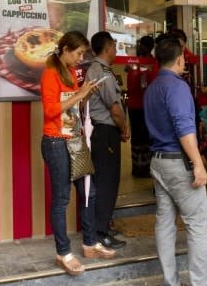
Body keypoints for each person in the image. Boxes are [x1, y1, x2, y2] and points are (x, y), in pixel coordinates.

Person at [40, 31, 115, 276]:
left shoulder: (72, 73)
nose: (80, 58)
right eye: (78, 53)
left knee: (88, 192)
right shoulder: (50, 74)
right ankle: (63, 252)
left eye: (83, 53)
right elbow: (51, 111)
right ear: (64, 49)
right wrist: (79, 95)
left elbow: (73, 109)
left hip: (75, 139)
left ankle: (90, 242)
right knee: (62, 199)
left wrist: (85, 96)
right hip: (56, 142)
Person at [144, 37, 207, 286]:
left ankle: (169, 282)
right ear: (180, 59)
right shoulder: (178, 87)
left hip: (159, 162)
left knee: (164, 224)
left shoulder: (152, 87)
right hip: (178, 162)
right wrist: (199, 163)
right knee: (196, 225)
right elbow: (184, 129)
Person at [85, 31, 129, 249]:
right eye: (114, 45)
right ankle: (100, 232)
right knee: (107, 182)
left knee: (103, 180)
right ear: (108, 47)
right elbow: (115, 110)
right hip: (105, 133)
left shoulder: (97, 69)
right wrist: (125, 130)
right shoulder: (102, 72)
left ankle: (102, 225)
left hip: (100, 132)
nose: (115, 48)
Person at [126, 35, 156, 178]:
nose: (139, 47)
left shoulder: (151, 62)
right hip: (134, 104)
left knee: (144, 137)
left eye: (141, 44)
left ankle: (145, 167)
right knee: (137, 137)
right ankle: (137, 167)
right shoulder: (134, 61)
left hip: (145, 105)